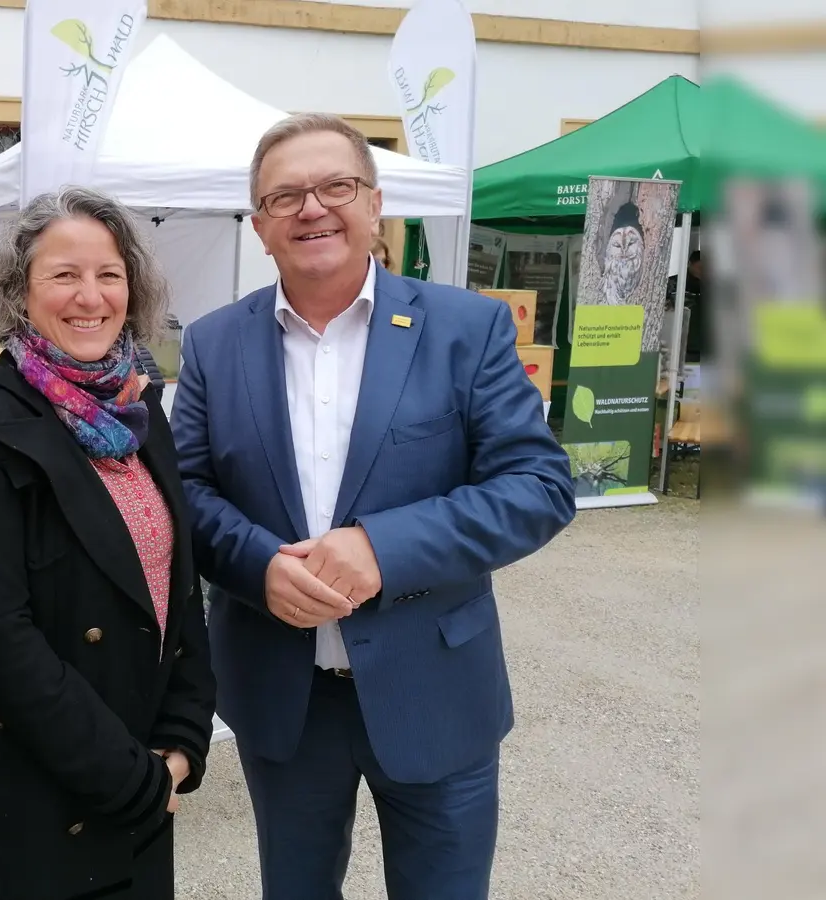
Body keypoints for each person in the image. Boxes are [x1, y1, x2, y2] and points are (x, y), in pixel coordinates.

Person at [171, 114, 575, 900]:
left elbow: (538, 485)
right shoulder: (216, 344)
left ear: (375, 202)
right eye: (284, 196)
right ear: (259, 226)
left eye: (335, 187)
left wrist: (381, 547)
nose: (311, 208)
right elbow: (185, 492)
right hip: (283, 696)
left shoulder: (467, 328)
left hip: (435, 690)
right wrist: (258, 566)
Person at [0, 186, 217, 900]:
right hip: (24, 796)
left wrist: (185, 737)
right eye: (63, 275)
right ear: (20, 292)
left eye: (108, 275)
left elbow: (176, 589)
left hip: (135, 781)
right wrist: (132, 779)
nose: (89, 296)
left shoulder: (137, 412)